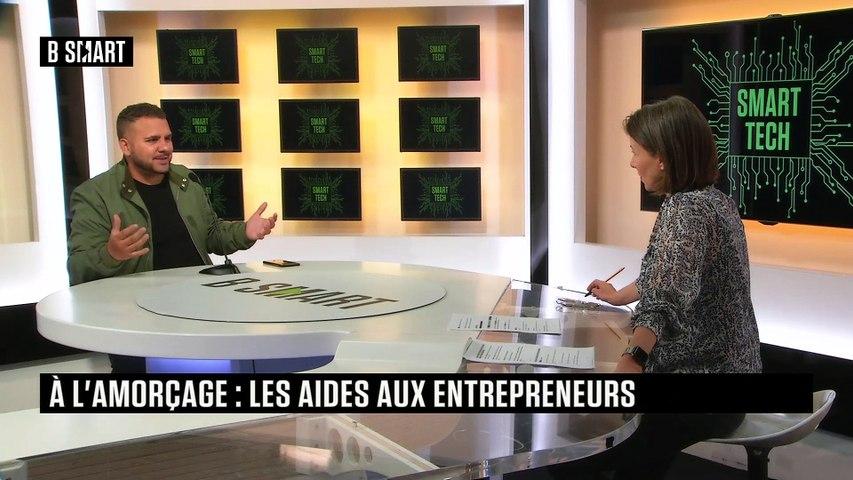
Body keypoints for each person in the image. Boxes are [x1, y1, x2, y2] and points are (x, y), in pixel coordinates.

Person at [580, 96, 762, 478]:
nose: (632, 162)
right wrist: (620, 296)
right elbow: (670, 273)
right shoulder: (717, 202)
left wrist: (633, 359)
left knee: (589, 445)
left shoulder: (686, 209)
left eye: (636, 151)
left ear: (662, 157)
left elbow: (665, 298)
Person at [68, 102, 277, 372]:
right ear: (126, 146)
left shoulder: (185, 181)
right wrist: (111, 254)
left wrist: (245, 231)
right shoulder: (94, 195)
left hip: (199, 312)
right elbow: (78, 267)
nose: (164, 147)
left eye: (167, 138)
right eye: (152, 140)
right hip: (138, 321)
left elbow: (212, 235)